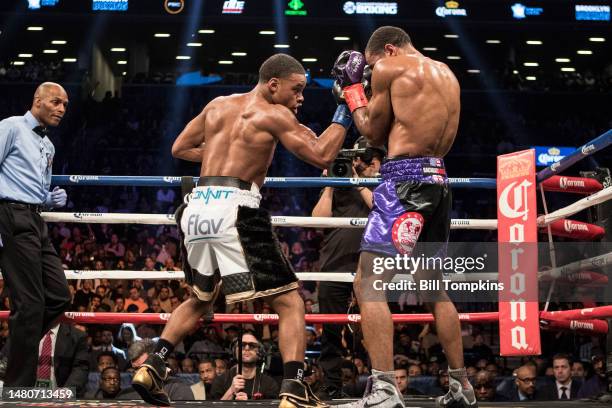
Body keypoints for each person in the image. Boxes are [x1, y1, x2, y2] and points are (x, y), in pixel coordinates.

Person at [132, 53, 351, 407]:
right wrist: (346, 106)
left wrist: (225, 153)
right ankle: (294, 390)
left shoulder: (218, 105)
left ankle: (152, 365)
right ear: (273, 84)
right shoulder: (275, 114)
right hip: (235, 207)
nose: (301, 98)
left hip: (196, 206)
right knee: (290, 301)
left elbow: (180, 147)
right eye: (297, 90)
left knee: (201, 297)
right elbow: (323, 155)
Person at [331, 26, 475, 407]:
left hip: (404, 184)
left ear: (389, 50)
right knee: (433, 288)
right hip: (439, 182)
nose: (372, 73)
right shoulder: (446, 72)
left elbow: (371, 133)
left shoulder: (390, 68)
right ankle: (461, 386)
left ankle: (383, 389)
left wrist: (352, 91)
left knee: (368, 284)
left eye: (373, 65)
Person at [0, 82, 72, 387]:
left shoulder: (49, 145)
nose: (61, 109)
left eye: (65, 105)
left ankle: (10, 355)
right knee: (29, 304)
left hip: (35, 219)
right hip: (10, 216)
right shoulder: (11, 127)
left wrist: (48, 198)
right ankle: (17, 387)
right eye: (55, 102)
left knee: (58, 296)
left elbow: (36, 189)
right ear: (37, 100)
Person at [312, 136, 384, 398]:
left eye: (362, 161)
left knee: (374, 328)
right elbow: (316, 220)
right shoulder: (339, 183)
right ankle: (332, 385)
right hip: (334, 263)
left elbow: (380, 207)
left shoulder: (384, 182)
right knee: (331, 329)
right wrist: (331, 184)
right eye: (354, 160)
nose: (356, 164)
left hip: (371, 265)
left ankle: (380, 384)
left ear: (375, 162)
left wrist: (358, 181)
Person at [210, 332, 279, 400]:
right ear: (234, 351)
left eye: (252, 345)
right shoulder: (221, 380)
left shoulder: (269, 384)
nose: (247, 348)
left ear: (260, 352)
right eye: (242, 345)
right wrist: (231, 391)